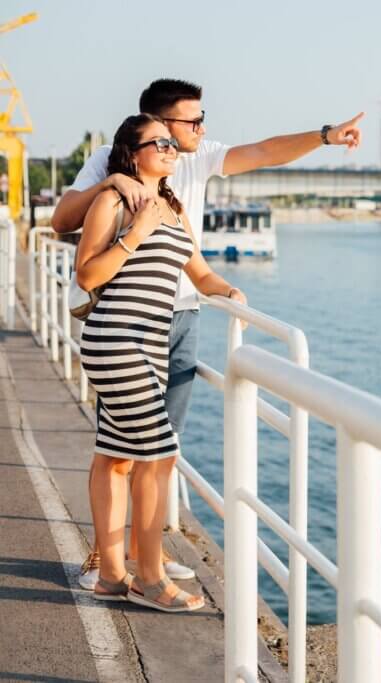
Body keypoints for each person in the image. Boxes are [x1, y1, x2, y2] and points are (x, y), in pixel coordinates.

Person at [53, 79, 363, 589]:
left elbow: (263, 153)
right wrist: (112, 184)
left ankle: (136, 553)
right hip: (123, 325)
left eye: (200, 121)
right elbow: (65, 221)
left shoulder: (183, 174)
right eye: (189, 123)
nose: (199, 131)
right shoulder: (113, 165)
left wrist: (327, 136)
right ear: (155, 128)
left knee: (156, 446)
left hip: (180, 320)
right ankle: (119, 566)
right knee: (131, 452)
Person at [77, 113, 246, 610]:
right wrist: (136, 232)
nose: (173, 149)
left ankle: (111, 577)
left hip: (150, 343)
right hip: (115, 338)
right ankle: (149, 580)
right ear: (133, 151)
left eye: (175, 143)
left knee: (114, 457)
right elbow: (88, 275)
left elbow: (200, 271)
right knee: (159, 454)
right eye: (161, 142)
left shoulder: (173, 207)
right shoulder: (114, 201)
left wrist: (230, 293)